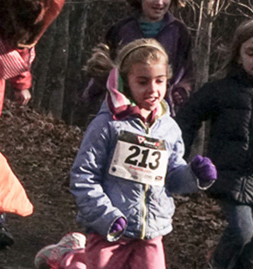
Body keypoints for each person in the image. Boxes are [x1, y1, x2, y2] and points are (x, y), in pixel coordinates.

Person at [65, 38, 216, 268]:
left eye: (159, 81)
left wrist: (194, 176)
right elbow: (84, 176)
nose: (153, 89)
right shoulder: (107, 125)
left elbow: (172, 179)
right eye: (143, 81)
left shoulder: (169, 128)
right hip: (110, 232)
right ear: (126, 81)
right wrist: (107, 216)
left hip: (151, 233)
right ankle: (70, 257)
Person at [176, 19, 253, 269]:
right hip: (230, 178)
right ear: (238, 55)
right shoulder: (221, 90)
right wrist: (177, 155)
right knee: (242, 232)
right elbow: (187, 117)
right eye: (251, 53)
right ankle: (216, 263)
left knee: (249, 254)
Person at [81, 0, 194, 116]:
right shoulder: (121, 30)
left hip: (161, 114)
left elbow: (186, 75)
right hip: (121, 113)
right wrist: (92, 94)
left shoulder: (179, 33)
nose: (159, 2)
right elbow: (104, 68)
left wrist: (180, 93)